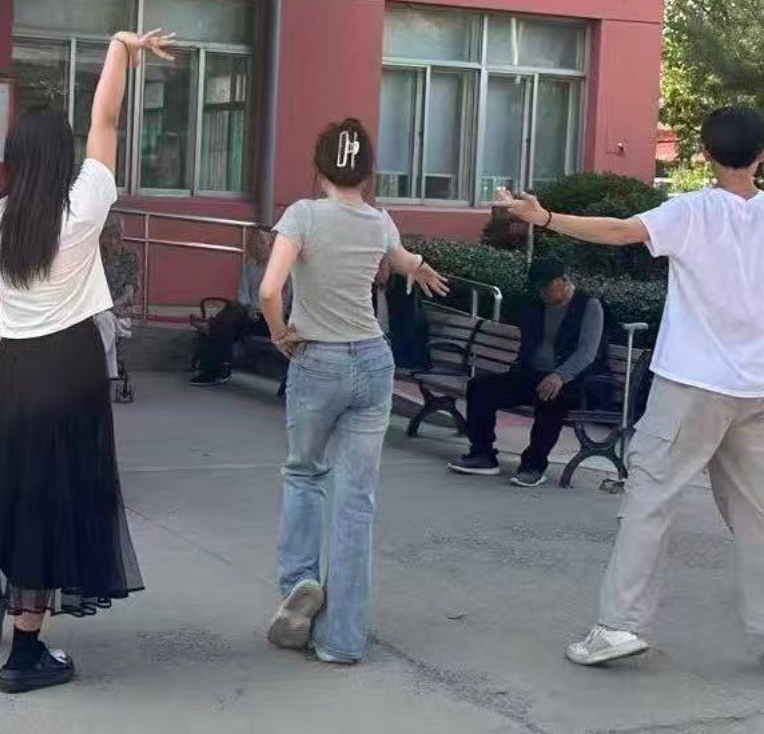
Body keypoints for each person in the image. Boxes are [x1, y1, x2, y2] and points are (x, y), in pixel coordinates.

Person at [0, 29, 171, 694]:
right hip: (72, 366)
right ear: (63, 157)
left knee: (10, 486)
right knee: (55, 496)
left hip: (16, 366)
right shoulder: (83, 205)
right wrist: (121, 47)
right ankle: (25, 654)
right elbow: (106, 119)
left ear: (11, 159)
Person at [498, 105, 764, 667]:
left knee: (650, 499)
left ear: (706, 154)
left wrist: (545, 217)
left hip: (690, 384)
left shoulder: (691, 212)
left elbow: (620, 231)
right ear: (761, 156)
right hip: (755, 389)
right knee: (756, 515)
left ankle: (620, 625)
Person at [260, 118, 447, 665]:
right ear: (368, 172)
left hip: (317, 359)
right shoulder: (379, 221)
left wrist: (280, 333)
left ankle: (299, 582)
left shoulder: (303, 216)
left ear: (319, 167)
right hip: (372, 361)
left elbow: (270, 290)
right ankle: (342, 641)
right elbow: (402, 260)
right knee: (356, 501)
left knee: (304, 474)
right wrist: (419, 267)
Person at [448, 257, 605, 488]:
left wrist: (560, 375)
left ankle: (533, 466)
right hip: (532, 373)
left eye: (547, 287)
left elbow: (587, 352)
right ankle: (482, 454)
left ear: (563, 280)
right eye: (539, 289)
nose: (543, 294)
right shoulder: (536, 306)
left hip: (572, 380)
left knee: (550, 398)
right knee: (480, 387)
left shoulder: (589, 306)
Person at [190, 228, 279, 386]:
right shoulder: (250, 265)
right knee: (227, 321)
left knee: (224, 321)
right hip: (247, 314)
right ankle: (216, 370)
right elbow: (243, 293)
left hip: (268, 318)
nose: (258, 246)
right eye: (255, 242)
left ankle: (213, 370)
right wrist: (249, 308)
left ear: (271, 244)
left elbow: (280, 297)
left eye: (262, 242)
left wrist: (258, 310)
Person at [93, 215, 137, 395]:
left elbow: (129, 293)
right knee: (104, 319)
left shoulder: (130, 256)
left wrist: (110, 306)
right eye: (108, 236)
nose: (113, 241)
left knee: (105, 319)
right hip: (94, 309)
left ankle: (94, 365)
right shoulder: (94, 256)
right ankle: (108, 372)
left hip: (118, 310)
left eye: (117, 236)